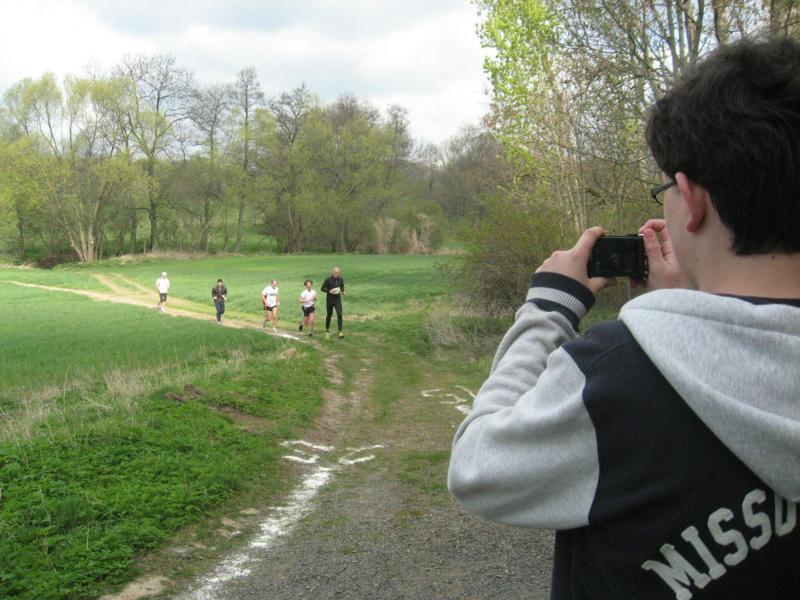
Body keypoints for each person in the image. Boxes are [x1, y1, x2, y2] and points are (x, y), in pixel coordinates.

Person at [448, 37, 800, 600]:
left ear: (691, 199)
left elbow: (478, 467)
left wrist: (548, 308)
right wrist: (693, 304)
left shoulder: (615, 378)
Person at [321, 266, 345, 339]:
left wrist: (343, 291)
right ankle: (327, 331)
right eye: (336, 272)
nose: (337, 274)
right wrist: (329, 291)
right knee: (329, 315)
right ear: (332, 272)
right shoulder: (328, 280)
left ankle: (340, 332)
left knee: (339, 314)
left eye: (338, 273)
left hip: (337, 300)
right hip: (330, 300)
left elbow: (342, 287)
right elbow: (322, 289)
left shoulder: (341, 280)